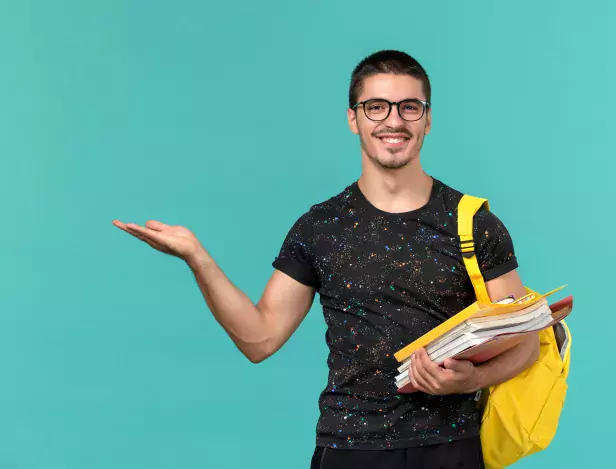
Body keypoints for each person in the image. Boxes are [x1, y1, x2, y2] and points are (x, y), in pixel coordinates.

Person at [112, 50, 539, 469]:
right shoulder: (320, 227)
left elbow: (525, 343)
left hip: (452, 448)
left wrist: (474, 380)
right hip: (350, 451)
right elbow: (259, 340)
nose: (394, 120)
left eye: (409, 107)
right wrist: (198, 258)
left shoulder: (474, 223)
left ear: (428, 119)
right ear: (353, 119)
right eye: (376, 107)